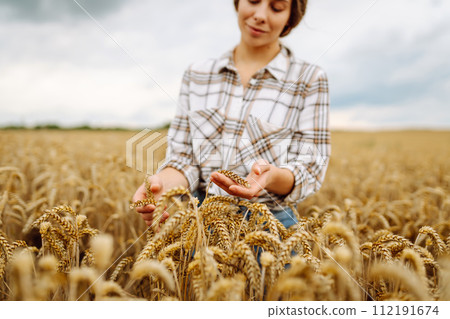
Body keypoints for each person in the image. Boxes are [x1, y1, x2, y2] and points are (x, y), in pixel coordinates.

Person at [133, 0, 330, 230]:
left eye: (276, 7)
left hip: (272, 227)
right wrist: (162, 185)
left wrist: (270, 177)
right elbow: (184, 156)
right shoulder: (198, 74)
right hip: (200, 223)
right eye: (254, 1)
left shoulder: (310, 79)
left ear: (291, 16)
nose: (260, 15)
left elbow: (311, 167)